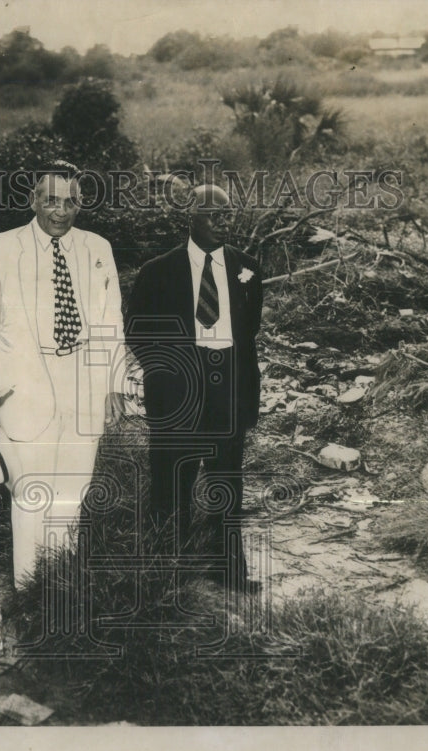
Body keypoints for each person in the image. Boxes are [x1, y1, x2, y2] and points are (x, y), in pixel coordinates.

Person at [0, 162, 126, 588]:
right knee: (29, 492)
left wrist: (113, 383)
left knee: (73, 491)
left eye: (71, 201)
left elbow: (111, 320)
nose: (61, 210)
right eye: (51, 200)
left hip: (83, 383)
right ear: (33, 200)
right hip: (24, 387)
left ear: (81, 203)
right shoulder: (1, 247)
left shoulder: (98, 248)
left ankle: (58, 585)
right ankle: (27, 587)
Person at [125, 184, 263, 593]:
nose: (224, 222)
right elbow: (138, 332)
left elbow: (248, 329)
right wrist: (172, 375)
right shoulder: (158, 270)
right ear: (191, 216)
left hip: (229, 388)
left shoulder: (248, 267)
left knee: (227, 482)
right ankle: (167, 571)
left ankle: (228, 570)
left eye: (228, 215)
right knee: (172, 482)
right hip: (178, 391)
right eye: (213, 215)